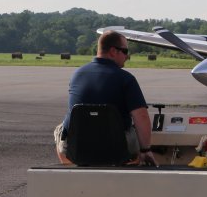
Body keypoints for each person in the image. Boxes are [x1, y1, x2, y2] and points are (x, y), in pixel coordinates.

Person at [54, 31, 157, 166]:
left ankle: (69, 164)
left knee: (59, 129)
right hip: (116, 149)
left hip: (78, 146)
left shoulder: (77, 74)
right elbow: (141, 117)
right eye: (125, 51)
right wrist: (146, 150)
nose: (127, 56)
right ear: (113, 51)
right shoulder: (126, 79)